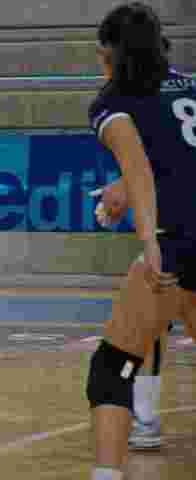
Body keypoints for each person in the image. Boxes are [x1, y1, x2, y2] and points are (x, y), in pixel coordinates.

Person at [86, 3, 196, 479]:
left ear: (109, 52)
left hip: (179, 243)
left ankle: (108, 473)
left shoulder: (113, 102)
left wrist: (150, 241)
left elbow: (140, 169)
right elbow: (174, 155)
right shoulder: (190, 85)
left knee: (112, 367)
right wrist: (123, 187)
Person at [92, 182, 169, 451]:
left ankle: (144, 419)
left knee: (150, 307)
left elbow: (155, 167)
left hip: (179, 235)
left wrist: (122, 188)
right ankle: (144, 417)